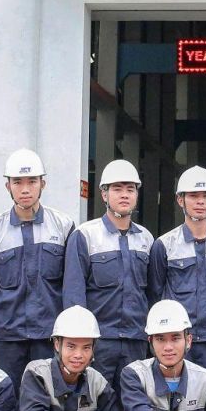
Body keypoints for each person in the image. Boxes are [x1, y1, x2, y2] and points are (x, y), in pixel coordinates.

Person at [0, 148, 77, 396]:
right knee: (5, 397)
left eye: (32, 181)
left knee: (49, 398)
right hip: (8, 336)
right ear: (7, 186)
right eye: (17, 182)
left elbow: (71, 281)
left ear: (43, 184)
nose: (25, 189)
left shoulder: (63, 226)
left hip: (49, 335)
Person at [68, 158, 157, 385]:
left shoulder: (146, 239)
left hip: (135, 340)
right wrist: (81, 340)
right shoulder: (85, 236)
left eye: (130, 189)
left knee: (133, 400)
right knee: (93, 400)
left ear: (137, 194)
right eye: (117, 189)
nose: (124, 195)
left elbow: (153, 293)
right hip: (99, 341)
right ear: (104, 194)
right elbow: (74, 294)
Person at [149, 166, 206, 378]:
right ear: (180, 200)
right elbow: (155, 295)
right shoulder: (165, 244)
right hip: (176, 339)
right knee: (175, 393)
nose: (200, 202)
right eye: (193, 196)